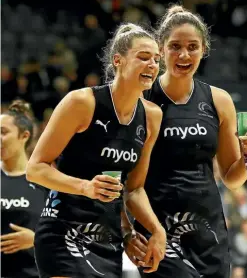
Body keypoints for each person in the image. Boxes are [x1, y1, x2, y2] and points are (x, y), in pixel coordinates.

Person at [125, 5, 247, 278]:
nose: (183, 54)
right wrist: (129, 231)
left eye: (192, 46)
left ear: (204, 49)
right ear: (161, 49)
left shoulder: (219, 100)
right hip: (159, 230)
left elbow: (232, 178)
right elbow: (128, 179)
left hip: (209, 232)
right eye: (175, 46)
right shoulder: (141, 97)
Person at [26, 23, 166, 278]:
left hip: (108, 240)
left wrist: (155, 230)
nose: (152, 65)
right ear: (118, 61)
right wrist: (85, 187)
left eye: (157, 60)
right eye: (143, 57)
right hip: (63, 231)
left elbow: (134, 189)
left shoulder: (152, 117)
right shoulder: (81, 102)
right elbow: (35, 169)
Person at [1, 100, 47, 278]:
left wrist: (36, 240)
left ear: (24, 136)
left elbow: (68, 234)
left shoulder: (46, 182)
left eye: (3, 132)